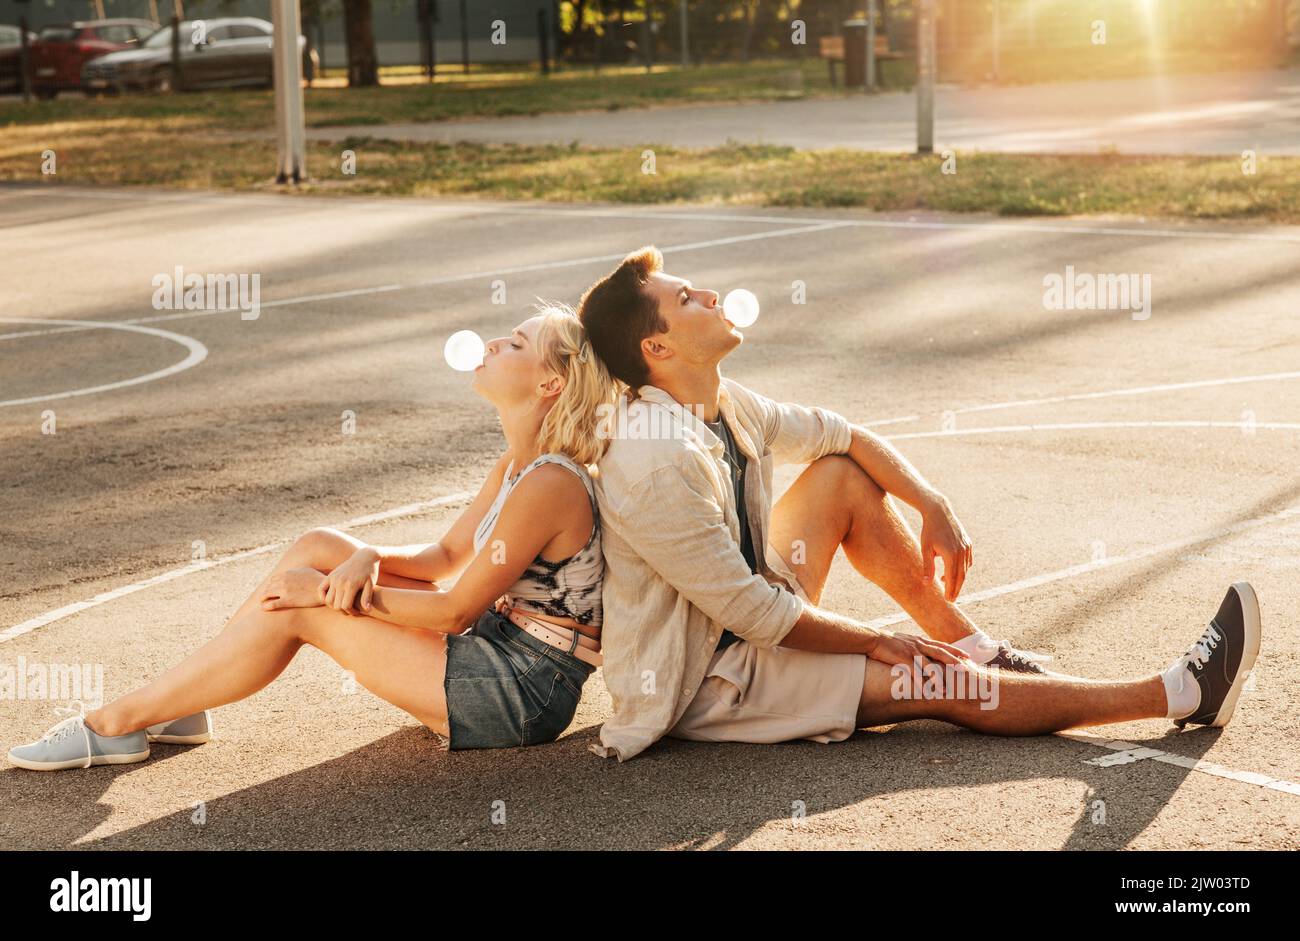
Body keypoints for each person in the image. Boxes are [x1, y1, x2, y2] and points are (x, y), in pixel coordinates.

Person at [575, 245, 1262, 762]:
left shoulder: (718, 399)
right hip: (714, 676)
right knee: (939, 681)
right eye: (689, 297)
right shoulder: (653, 459)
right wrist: (883, 641)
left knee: (841, 472)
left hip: (747, 612)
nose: (711, 294)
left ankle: (976, 646)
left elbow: (841, 434)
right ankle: (1175, 691)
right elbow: (756, 617)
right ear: (656, 346)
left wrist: (930, 502)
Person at [7, 305, 619, 770]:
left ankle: (120, 720)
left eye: (515, 344)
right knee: (319, 544)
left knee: (301, 608)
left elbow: (456, 610)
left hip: (521, 691)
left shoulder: (550, 482)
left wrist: (327, 595)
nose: (491, 343)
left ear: (550, 386)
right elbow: (443, 560)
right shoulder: (515, 466)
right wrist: (363, 559)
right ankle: (181, 701)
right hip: (495, 654)